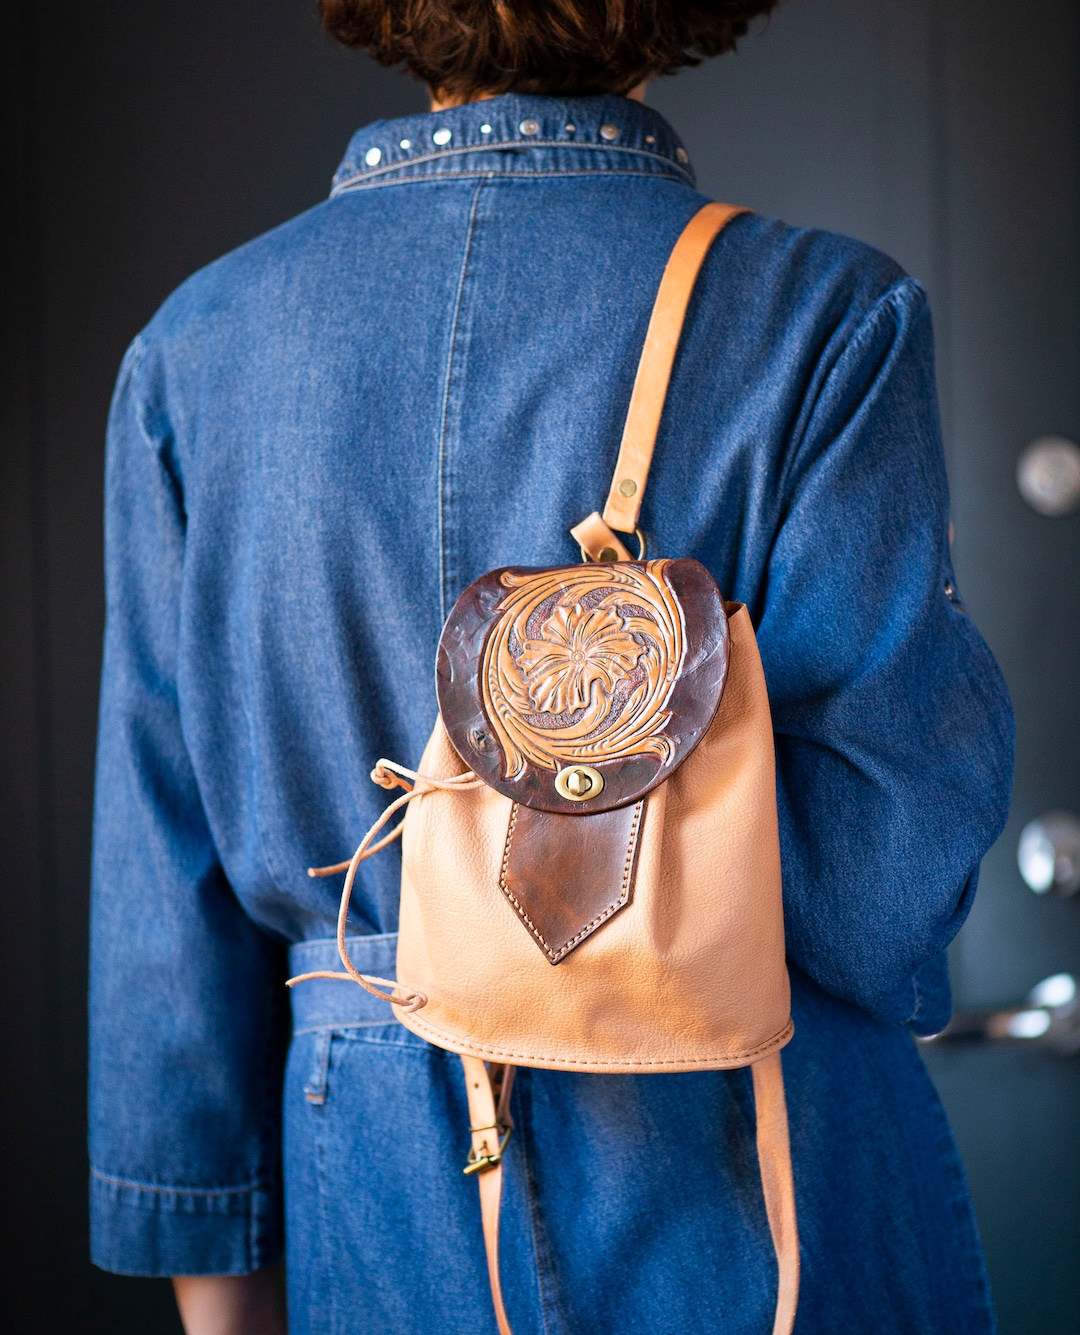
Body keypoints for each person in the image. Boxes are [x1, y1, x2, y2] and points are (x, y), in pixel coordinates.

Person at [88, 2, 1014, 1332]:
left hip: (375, 1164)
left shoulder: (197, 350)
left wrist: (219, 1304)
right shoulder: (823, 316)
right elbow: (882, 895)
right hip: (753, 1154)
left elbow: (163, 913)